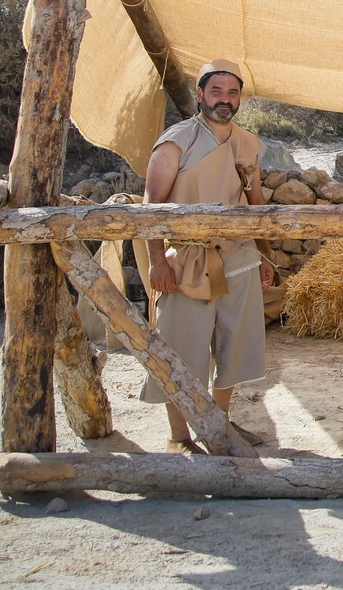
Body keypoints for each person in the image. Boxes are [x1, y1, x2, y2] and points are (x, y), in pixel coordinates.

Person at [140, 59, 275, 453]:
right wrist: (157, 261)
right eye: (216, 91)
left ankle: (218, 426)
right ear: (199, 94)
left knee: (233, 346)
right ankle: (181, 437)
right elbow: (151, 206)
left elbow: (255, 204)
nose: (225, 100)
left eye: (232, 93)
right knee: (183, 348)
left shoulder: (247, 144)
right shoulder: (176, 142)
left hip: (239, 256)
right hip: (186, 261)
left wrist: (265, 255)